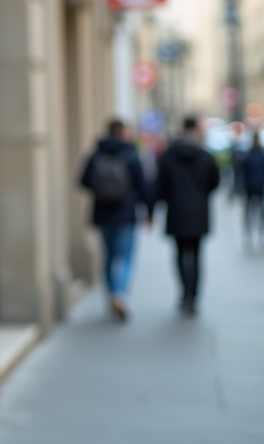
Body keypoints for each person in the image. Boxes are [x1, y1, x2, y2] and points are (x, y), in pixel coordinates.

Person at [79, 118, 149, 321]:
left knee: (108, 257)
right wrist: (149, 209)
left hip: (102, 213)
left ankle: (111, 295)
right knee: (125, 257)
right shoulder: (130, 155)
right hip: (126, 214)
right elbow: (142, 185)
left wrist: (102, 190)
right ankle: (120, 295)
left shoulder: (95, 154)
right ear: (123, 133)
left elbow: (83, 181)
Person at [150, 116, 220, 315]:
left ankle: (185, 292)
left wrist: (152, 209)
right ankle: (194, 295)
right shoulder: (205, 155)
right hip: (198, 212)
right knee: (197, 255)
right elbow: (214, 182)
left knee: (180, 254)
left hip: (177, 211)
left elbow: (159, 186)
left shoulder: (169, 156)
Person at [238, 133, 264, 249]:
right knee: (252, 211)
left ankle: (262, 235)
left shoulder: (256, 154)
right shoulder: (254, 154)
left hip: (257, 186)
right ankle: (251, 235)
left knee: (260, 211)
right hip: (252, 186)